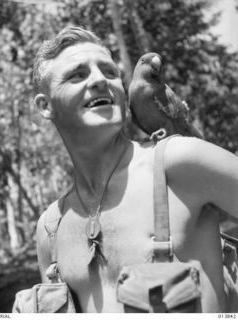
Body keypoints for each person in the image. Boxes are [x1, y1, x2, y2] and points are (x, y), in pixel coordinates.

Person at [32, 25, 238, 312]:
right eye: (78, 75)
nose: (99, 80)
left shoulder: (179, 163)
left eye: (110, 72)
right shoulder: (49, 230)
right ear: (45, 106)